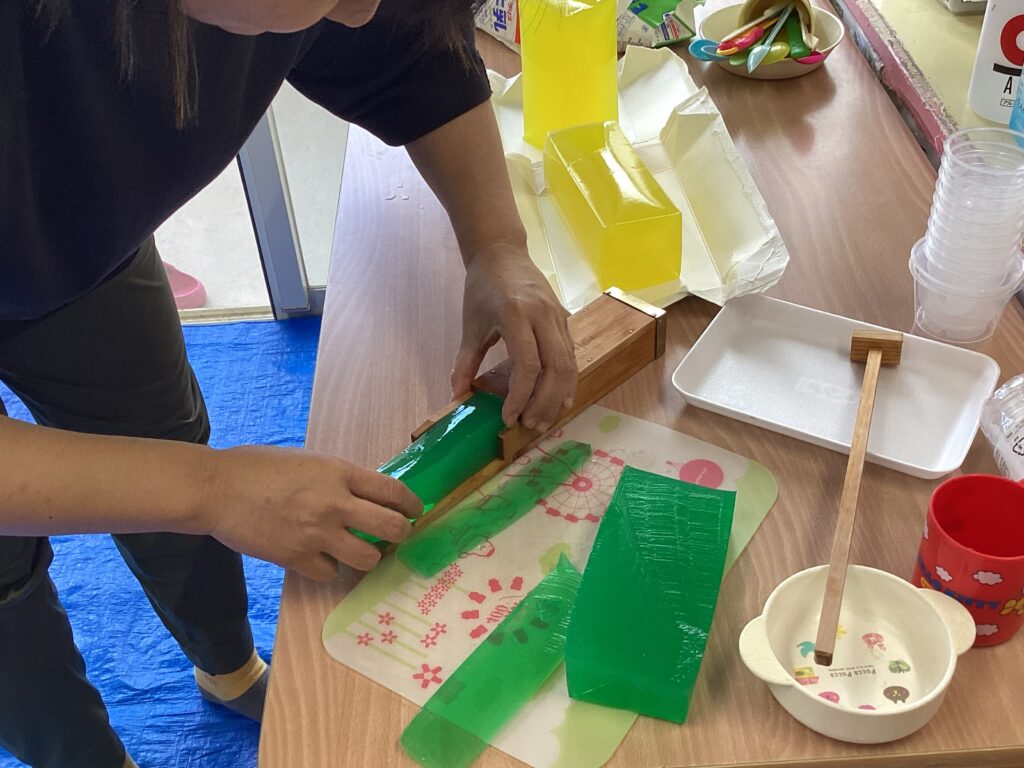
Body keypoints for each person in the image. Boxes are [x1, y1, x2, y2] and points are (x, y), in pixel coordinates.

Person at [0, 1, 578, 766]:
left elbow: (410, 49)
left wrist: (496, 243)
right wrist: (210, 488)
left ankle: (230, 668)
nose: (362, 8)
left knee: (160, 441)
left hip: (71, 244)